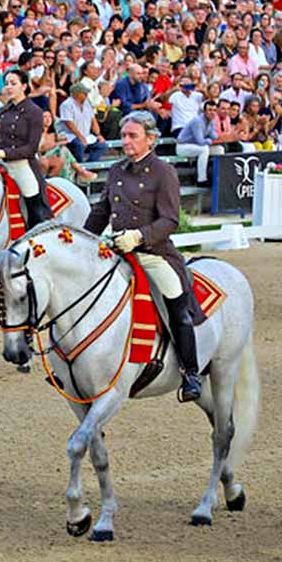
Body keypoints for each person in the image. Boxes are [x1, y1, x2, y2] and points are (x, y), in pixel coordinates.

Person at [84, 110, 202, 403]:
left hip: (152, 252)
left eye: (132, 136)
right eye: (123, 135)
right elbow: (101, 211)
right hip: (117, 250)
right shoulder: (116, 170)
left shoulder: (163, 172)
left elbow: (170, 220)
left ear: (150, 139)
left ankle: (191, 372)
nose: (126, 141)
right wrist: (83, 241)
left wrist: (139, 236)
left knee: (176, 303)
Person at [0, 69, 51, 227]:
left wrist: (5, 153)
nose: (9, 87)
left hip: (22, 164)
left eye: (13, 83)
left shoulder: (35, 112)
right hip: (0, 162)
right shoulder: (2, 110)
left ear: (24, 86)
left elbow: (31, 148)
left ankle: (36, 230)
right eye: (7, 84)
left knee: (32, 196)